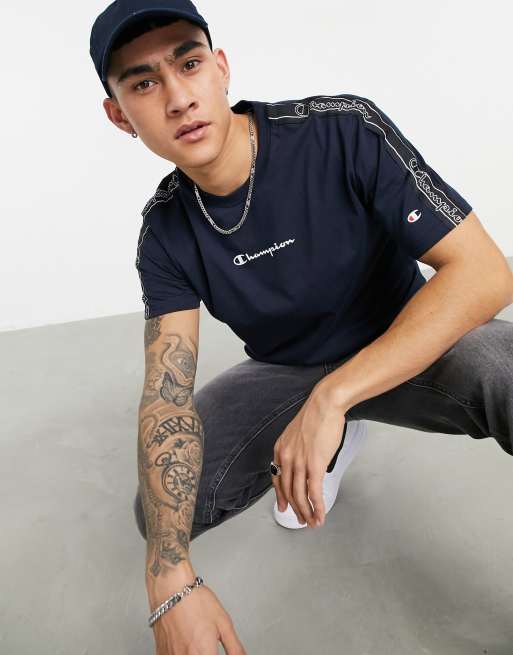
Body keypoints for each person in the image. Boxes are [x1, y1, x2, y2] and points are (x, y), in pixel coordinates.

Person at [90, 1, 513, 653]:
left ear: (220, 68)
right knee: (161, 508)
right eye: (144, 83)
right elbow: (166, 396)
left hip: (400, 340)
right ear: (119, 116)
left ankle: (336, 419)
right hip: (287, 369)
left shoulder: (341, 130)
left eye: (189, 64)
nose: (178, 98)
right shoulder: (165, 232)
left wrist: (333, 398)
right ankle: (330, 429)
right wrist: (168, 581)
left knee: (505, 368)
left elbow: (485, 274)